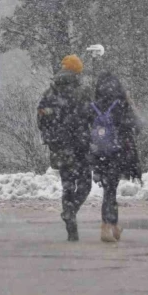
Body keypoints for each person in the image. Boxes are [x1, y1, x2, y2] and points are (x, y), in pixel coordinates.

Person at [37, 54, 93, 241]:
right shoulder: (83, 92)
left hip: (60, 147)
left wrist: (51, 139)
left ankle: (71, 230)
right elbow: (93, 117)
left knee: (67, 186)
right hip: (81, 146)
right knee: (85, 185)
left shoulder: (49, 93)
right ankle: (71, 211)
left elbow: (41, 119)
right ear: (77, 72)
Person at [89, 71, 142, 243]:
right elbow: (137, 126)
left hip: (99, 154)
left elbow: (86, 129)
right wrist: (130, 103)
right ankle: (107, 227)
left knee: (108, 189)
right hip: (117, 153)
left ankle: (113, 225)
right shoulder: (121, 104)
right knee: (110, 190)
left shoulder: (95, 105)